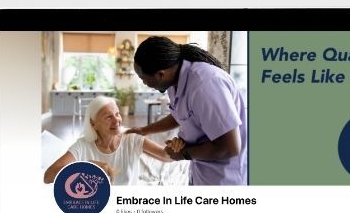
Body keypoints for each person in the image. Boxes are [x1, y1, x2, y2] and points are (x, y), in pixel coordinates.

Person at [127, 37, 247, 185]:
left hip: (224, 179)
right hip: (200, 171)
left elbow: (230, 147)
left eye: (143, 78)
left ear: (161, 74)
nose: (144, 83)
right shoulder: (174, 83)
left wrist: (183, 154)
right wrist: (144, 130)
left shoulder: (205, 85)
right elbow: (180, 115)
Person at [43, 97, 174, 185]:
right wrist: (87, 168)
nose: (116, 120)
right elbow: (48, 176)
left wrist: (177, 146)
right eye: (108, 117)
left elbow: (166, 156)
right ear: (93, 123)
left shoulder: (131, 138)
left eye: (117, 114)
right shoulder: (82, 146)